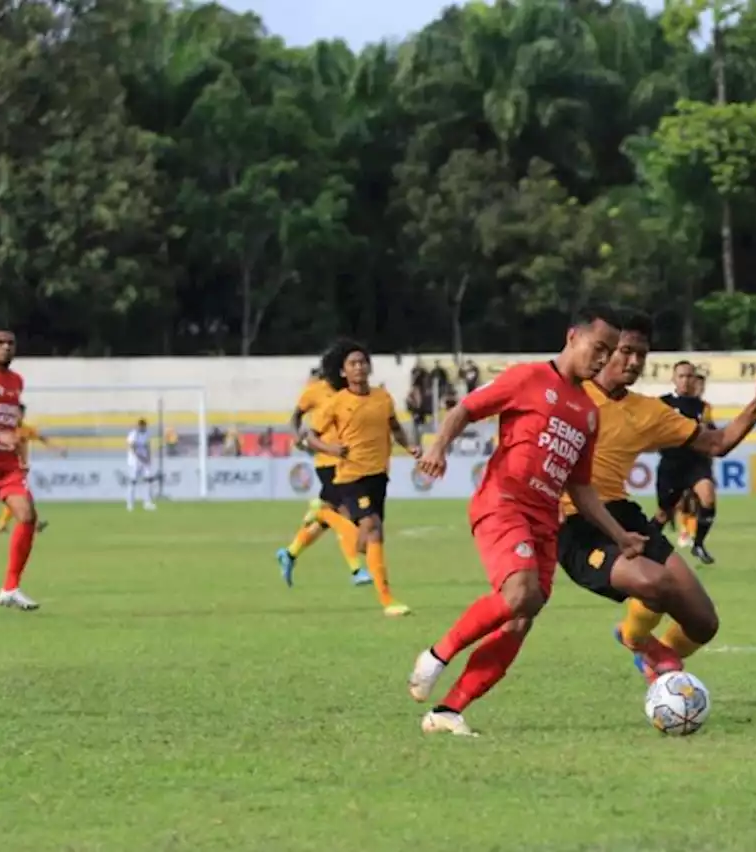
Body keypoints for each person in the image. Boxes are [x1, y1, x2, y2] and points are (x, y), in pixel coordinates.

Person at [406, 305, 647, 737]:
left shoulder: (588, 413)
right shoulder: (528, 378)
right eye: (599, 348)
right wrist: (438, 447)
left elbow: (581, 488)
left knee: (523, 614)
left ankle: (448, 712)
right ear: (573, 337)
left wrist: (619, 535)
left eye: (610, 352)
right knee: (520, 593)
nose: (603, 359)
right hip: (503, 502)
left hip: (544, 519)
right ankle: (437, 654)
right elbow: (466, 409)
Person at [553, 313, 756, 688]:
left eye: (642, 355)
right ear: (604, 351)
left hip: (622, 514)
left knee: (704, 623)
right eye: (626, 352)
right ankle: (644, 644)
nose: (634, 362)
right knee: (655, 583)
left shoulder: (648, 411)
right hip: (576, 521)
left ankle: (650, 660)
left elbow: (718, 443)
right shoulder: (567, 392)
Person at [304, 340, 417, 617]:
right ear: (343, 372)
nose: (359, 367)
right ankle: (388, 600)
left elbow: (395, 427)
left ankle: (325, 515)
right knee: (374, 527)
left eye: (362, 362)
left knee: (366, 542)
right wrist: (331, 449)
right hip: (351, 476)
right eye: (352, 364)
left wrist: (410, 446)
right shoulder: (337, 403)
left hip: (379, 476)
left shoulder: (382, 397)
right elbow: (310, 437)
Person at [275, 363, 372, 588]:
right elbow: (296, 416)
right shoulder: (315, 391)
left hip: (348, 461)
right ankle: (356, 570)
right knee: (346, 516)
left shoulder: (350, 391)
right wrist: (297, 437)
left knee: (328, 518)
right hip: (327, 461)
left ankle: (290, 553)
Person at [654, 363, 721, 563]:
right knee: (663, 514)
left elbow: (712, 431)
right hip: (671, 464)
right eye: (681, 376)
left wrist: (707, 430)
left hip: (696, 463)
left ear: (694, 379)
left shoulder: (703, 407)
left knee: (707, 498)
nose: (685, 380)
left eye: (689, 376)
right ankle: (645, 542)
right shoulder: (662, 403)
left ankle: (698, 544)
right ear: (674, 379)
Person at [0, 331, 42, 611]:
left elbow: (12, 426)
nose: (6, 347)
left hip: (6, 466)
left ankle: (10, 588)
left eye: (10, 343)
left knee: (27, 514)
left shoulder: (16, 382)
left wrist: (19, 453)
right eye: (0, 343)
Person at [0, 404, 60, 534]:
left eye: (22, 414)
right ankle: (32, 523)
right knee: (19, 496)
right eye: (18, 413)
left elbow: (42, 438)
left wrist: (57, 449)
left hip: (19, 468)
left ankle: (32, 522)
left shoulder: (26, 429)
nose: (20, 416)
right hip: (6, 469)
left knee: (21, 496)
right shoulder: (4, 429)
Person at [126, 419, 157, 512]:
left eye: (144, 426)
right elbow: (133, 448)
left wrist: (149, 458)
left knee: (148, 480)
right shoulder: (133, 434)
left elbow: (147, 446)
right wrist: (142, 458)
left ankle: (147, 502)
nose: (143, 427)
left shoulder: (147, 433)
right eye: (141, 426)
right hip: (134, 461)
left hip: (144, 460)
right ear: (138, 426)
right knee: (133, 482)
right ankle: (130, 504)